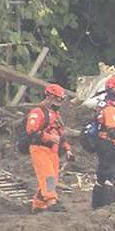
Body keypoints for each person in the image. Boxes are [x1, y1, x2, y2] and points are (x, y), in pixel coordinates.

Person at [27, 84, 74, 213]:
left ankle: (39, 204)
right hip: (40, 148)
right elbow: (32, 131)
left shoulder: (56, 115)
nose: (59, 103)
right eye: (58, 100)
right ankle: (52, 201)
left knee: (53, 177)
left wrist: (67, 149)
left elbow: (61, 134)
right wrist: (48, 138)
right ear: (50, 97)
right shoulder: (38, 112)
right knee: (48, 176)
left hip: (53, 151)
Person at [92, 76, 115, 209]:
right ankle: (108, 207)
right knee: (111, 176)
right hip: (108, 143)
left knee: (101, 175)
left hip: (101, 142)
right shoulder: (111, 108)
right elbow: (112, 130)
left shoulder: (102, 104)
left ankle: (96, 205)